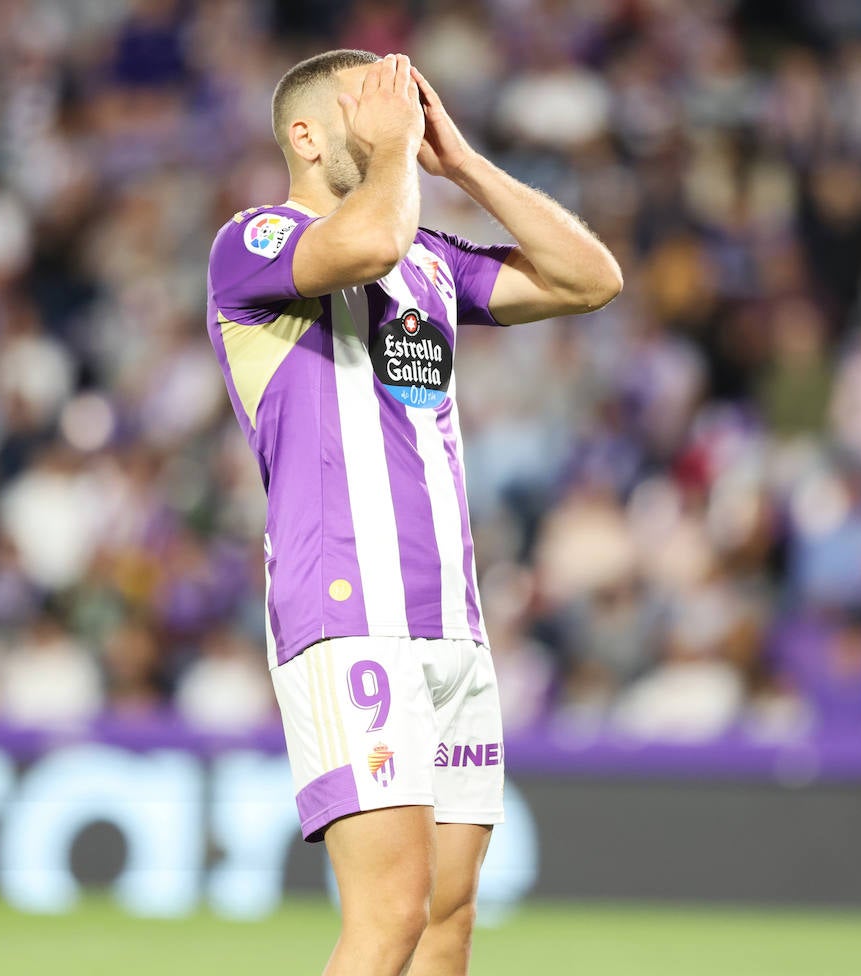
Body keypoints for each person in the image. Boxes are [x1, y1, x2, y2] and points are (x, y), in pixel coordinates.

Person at [204, 50, 621, 976]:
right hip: (350, 614)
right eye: (373, 103)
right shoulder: (254, 241)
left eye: (407, 102)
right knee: (387, 918)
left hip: (451, 626)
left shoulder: (430, 260)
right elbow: (366, 245)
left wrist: (462, 163)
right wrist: (395, 158)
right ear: (307, 136)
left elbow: (590, 280)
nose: (399, 115)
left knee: (447, 920)